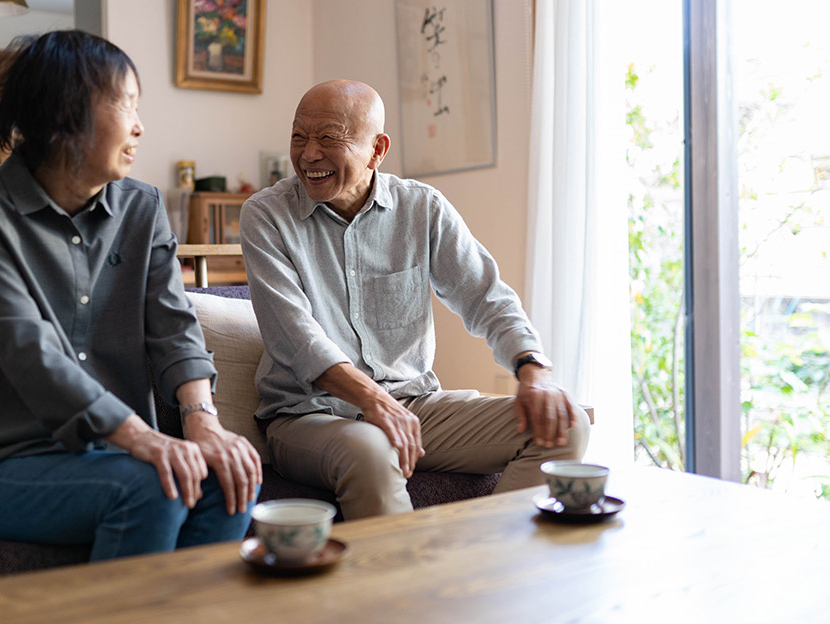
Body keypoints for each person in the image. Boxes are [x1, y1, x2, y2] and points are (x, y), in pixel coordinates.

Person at [0, 30, 262, 560]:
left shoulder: (141, 208)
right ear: (63, 115)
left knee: (234, 475)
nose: (141, 126)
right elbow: (28, 351)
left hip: (107, 453)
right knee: (154, 487)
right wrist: (142, 439)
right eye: (126, 105)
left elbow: (173, 326)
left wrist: (203, 421)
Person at [239, 79, 589, 520]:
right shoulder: (266, 215)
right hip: (307, 416)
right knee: (369, 449)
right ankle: (411, 585)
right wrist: (373, 401)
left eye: (328, 138)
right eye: (298, 137)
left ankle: (489, 565)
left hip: (413, 404)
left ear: (377, 150)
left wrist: (532, 368)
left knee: (565, 425)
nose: (309, 154)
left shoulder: (422, 208)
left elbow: (485, 295)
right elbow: (296, 337)